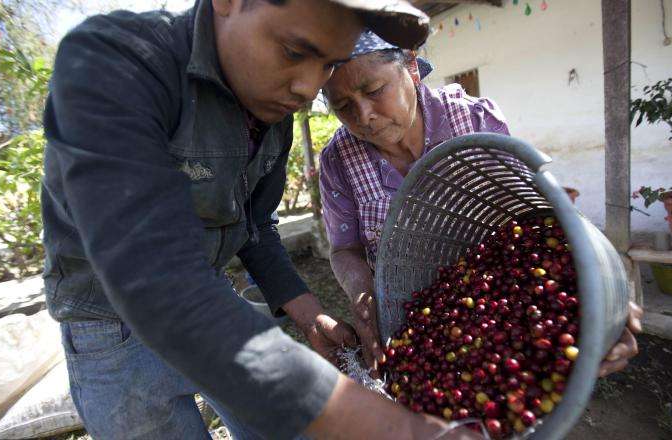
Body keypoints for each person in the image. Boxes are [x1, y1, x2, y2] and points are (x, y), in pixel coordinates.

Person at [41, 0, 485, 439]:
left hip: (210, 288)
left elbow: (253, 224)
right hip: (108, 321)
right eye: (295, 52)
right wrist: (380, 423)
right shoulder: (119, 61)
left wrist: (309, 317)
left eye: (327, 64)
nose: (310, 89)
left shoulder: (272, 113)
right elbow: (154, 274)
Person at [319, 31, 643, 379]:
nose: (364, 115)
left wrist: (592, 283)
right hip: (408, 316)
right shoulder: (338, 159)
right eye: (344, 106)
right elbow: (345, 249)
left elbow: (530, 214)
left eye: (373, 91)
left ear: (411, 68)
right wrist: (363, 295)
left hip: (495, 299)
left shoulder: (471, 120)